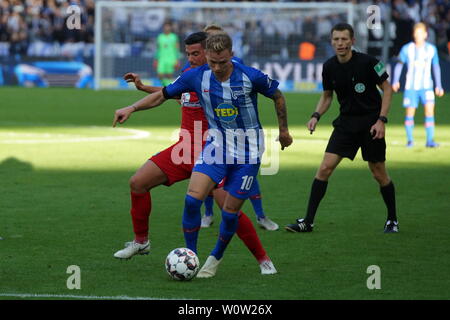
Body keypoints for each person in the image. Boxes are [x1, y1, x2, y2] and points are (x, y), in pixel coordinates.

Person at [113, 33, 293, 278]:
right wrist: (133, 104)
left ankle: (261, 258)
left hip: (233, 151)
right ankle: (149, 243)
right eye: (189, 55)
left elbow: (276, 95)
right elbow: (167, 93)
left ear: (228, 55)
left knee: (230, 212)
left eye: (195, 53)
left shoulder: (242, 76)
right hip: (187, 150)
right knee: (139, 183)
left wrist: (283, 130)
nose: (192, 58)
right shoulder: (193, 77)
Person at [285, 23, 398, 234]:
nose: (340, 43)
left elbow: (388, 89)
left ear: (352, 41)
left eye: (344, 39)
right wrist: (315, 116)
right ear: (331, 42)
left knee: (379, 173)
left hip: (371, 124)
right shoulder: (328, 67)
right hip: (346, 124)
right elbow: (327, 96)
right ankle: (307, 222)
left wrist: (381, 120)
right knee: (324, 168)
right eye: (336, 39)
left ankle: (392, 219)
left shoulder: (370, 62)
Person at [198, 24, 279, 232]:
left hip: (237, 130)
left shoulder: (237, 67)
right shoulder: (196, 70)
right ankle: (208, 214)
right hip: (207, 127)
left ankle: (260, 215)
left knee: (245, 174)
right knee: (206, 177)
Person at [392, 22, 444, 148]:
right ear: (413, 34)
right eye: (416, 33)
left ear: (425, 34)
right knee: (410, 113)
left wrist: (439, 85)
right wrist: (395, 80)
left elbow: (436, 66)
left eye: (420, 33)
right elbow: (399, 64)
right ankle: (410, 140)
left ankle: (430, 141)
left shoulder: (431, 49)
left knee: (429, 112)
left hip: (427, 87)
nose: (418, 36)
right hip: (411, 87)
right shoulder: (407, 48)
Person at [154, 21, 180, 86]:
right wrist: (155, 59)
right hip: (161, 59)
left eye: (168, 26)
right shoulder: (160, 37)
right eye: (165, 26)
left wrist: (177, 60)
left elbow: (177, 49)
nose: (166, 28)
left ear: (170, 28)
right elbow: (158, 49)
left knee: (169, 75)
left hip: (171, 58)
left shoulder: (174, 37)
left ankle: (168, 89)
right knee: (160, 74)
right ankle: (165, 86)